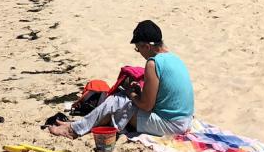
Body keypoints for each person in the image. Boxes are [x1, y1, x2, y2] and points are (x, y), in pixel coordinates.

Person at [48, 20, 194, 139]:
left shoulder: (153, 63)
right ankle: (79, 126)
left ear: (147, 46)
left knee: (118, 101)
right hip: (185, 121)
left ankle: (73, 130)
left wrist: (132, 94)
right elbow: (163, 97)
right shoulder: (175, 58)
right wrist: (138, 92)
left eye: (138, 48)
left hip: (172, 126)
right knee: (120, 102)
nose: (139, 52)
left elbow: (147, 106)